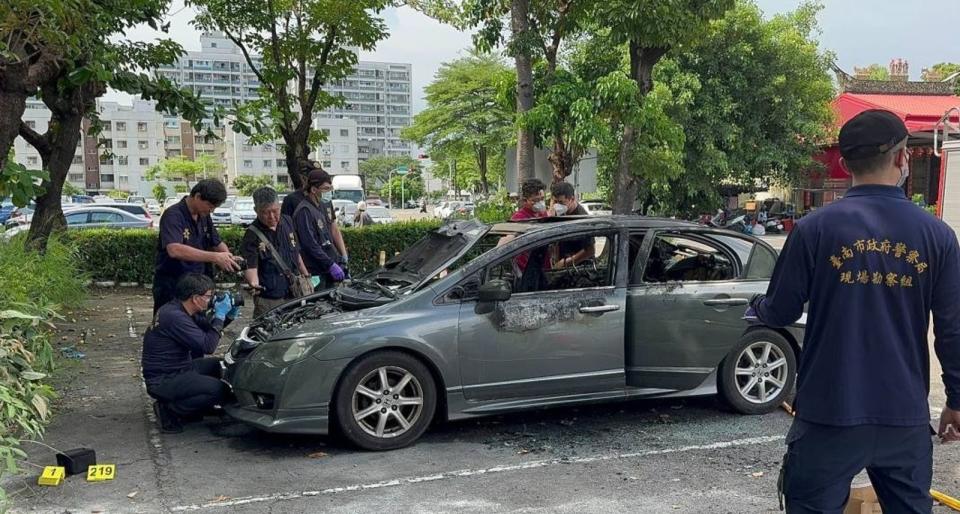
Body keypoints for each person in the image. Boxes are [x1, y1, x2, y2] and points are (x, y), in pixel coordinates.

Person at [748, 109, 960, 513]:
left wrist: (755, 307)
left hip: (829, 411)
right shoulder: (937, 236)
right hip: (903, 415)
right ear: (904, 159)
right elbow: (953, 330)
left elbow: (778, 311)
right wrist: (956, 398)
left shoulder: (814, 229)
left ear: (845, 165)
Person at [142, 273, 236, 433]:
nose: (211, 300)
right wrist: (219, 315)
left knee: (219, 365)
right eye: (208, 296)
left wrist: (228, 316)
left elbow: (208, 328)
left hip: (178, 368)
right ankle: (170, 411)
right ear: (195, 298)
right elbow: (208, 345)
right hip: (164, 379)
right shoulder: (174, 317)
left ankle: (197, 407)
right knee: (220, 390)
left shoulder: (179, 309)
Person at [153, 179, 240, 314]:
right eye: (210, 205)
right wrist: (215, 257)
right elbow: (174, 249)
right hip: (173, 285)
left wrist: (228, 257)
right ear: (197, 196)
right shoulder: (173, 215)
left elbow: (216, 242)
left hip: (199, 286)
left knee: (196, 329)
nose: (211, 210)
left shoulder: (204, 216)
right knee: (170, 325)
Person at [241, 187, 311, 317]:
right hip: (269, 299)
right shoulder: (251, 235)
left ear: (280, 206)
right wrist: (254, 285)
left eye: (275, 211)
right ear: (256, 211)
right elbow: (251, 267)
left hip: (294, 293)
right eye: (265, 212)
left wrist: (307, 278)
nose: (272, 217)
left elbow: (296, 253)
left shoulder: (287, 221)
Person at [294, 169, 347, 290]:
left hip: (327, 269)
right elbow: (310, 244)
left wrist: (340, 259)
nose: (329, 192)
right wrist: (330, 264)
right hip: (315, 272)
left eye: (330, 188)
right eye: (326, 189)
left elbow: (328, 236)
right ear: (313, 190)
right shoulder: (304, 211)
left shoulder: (322, 206)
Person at [549, 181, 595, 268]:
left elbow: (590, 250)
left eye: (561, 202)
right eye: (555, 202)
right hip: (562, 265)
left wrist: (566, 262)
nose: (557, 206)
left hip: (580, 269)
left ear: (572, 199)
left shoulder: (583, 219)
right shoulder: (561, 214)